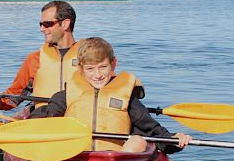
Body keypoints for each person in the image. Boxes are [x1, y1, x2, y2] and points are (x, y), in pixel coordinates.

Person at [30, 37, 191, 153]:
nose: (98, 74)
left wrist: (175, 140)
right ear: (80, 69)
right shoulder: (67, 95)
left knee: (138, 141)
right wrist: (28, 124)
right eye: (90, 69)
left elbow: (150, 128)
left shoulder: (127, 98)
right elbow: (47, 113)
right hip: (75, 159)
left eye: (103, 67)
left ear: (114, 64)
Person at [0, 0, 81, 112]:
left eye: (47, 24)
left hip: (78, 123)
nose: (42, 29)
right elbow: (11, 100)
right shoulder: (34, 59)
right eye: (41, 24)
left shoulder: (90, 58)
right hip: (43, 122)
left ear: (65, 24)